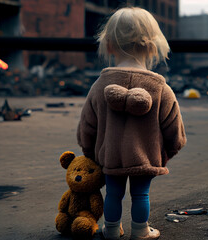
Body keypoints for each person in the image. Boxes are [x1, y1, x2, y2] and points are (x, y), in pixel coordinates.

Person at [77, 7, 186, 240]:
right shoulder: (161, 88)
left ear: (108, 45)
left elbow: (87, 126)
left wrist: (91, 153)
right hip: (144, 157)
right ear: (152, 46)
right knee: (141, 195)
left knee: (113, 194)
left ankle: (112, 230)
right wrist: (166, 152)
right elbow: (174, 130)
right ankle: (140, 231)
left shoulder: (99, 85)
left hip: (110, 155)